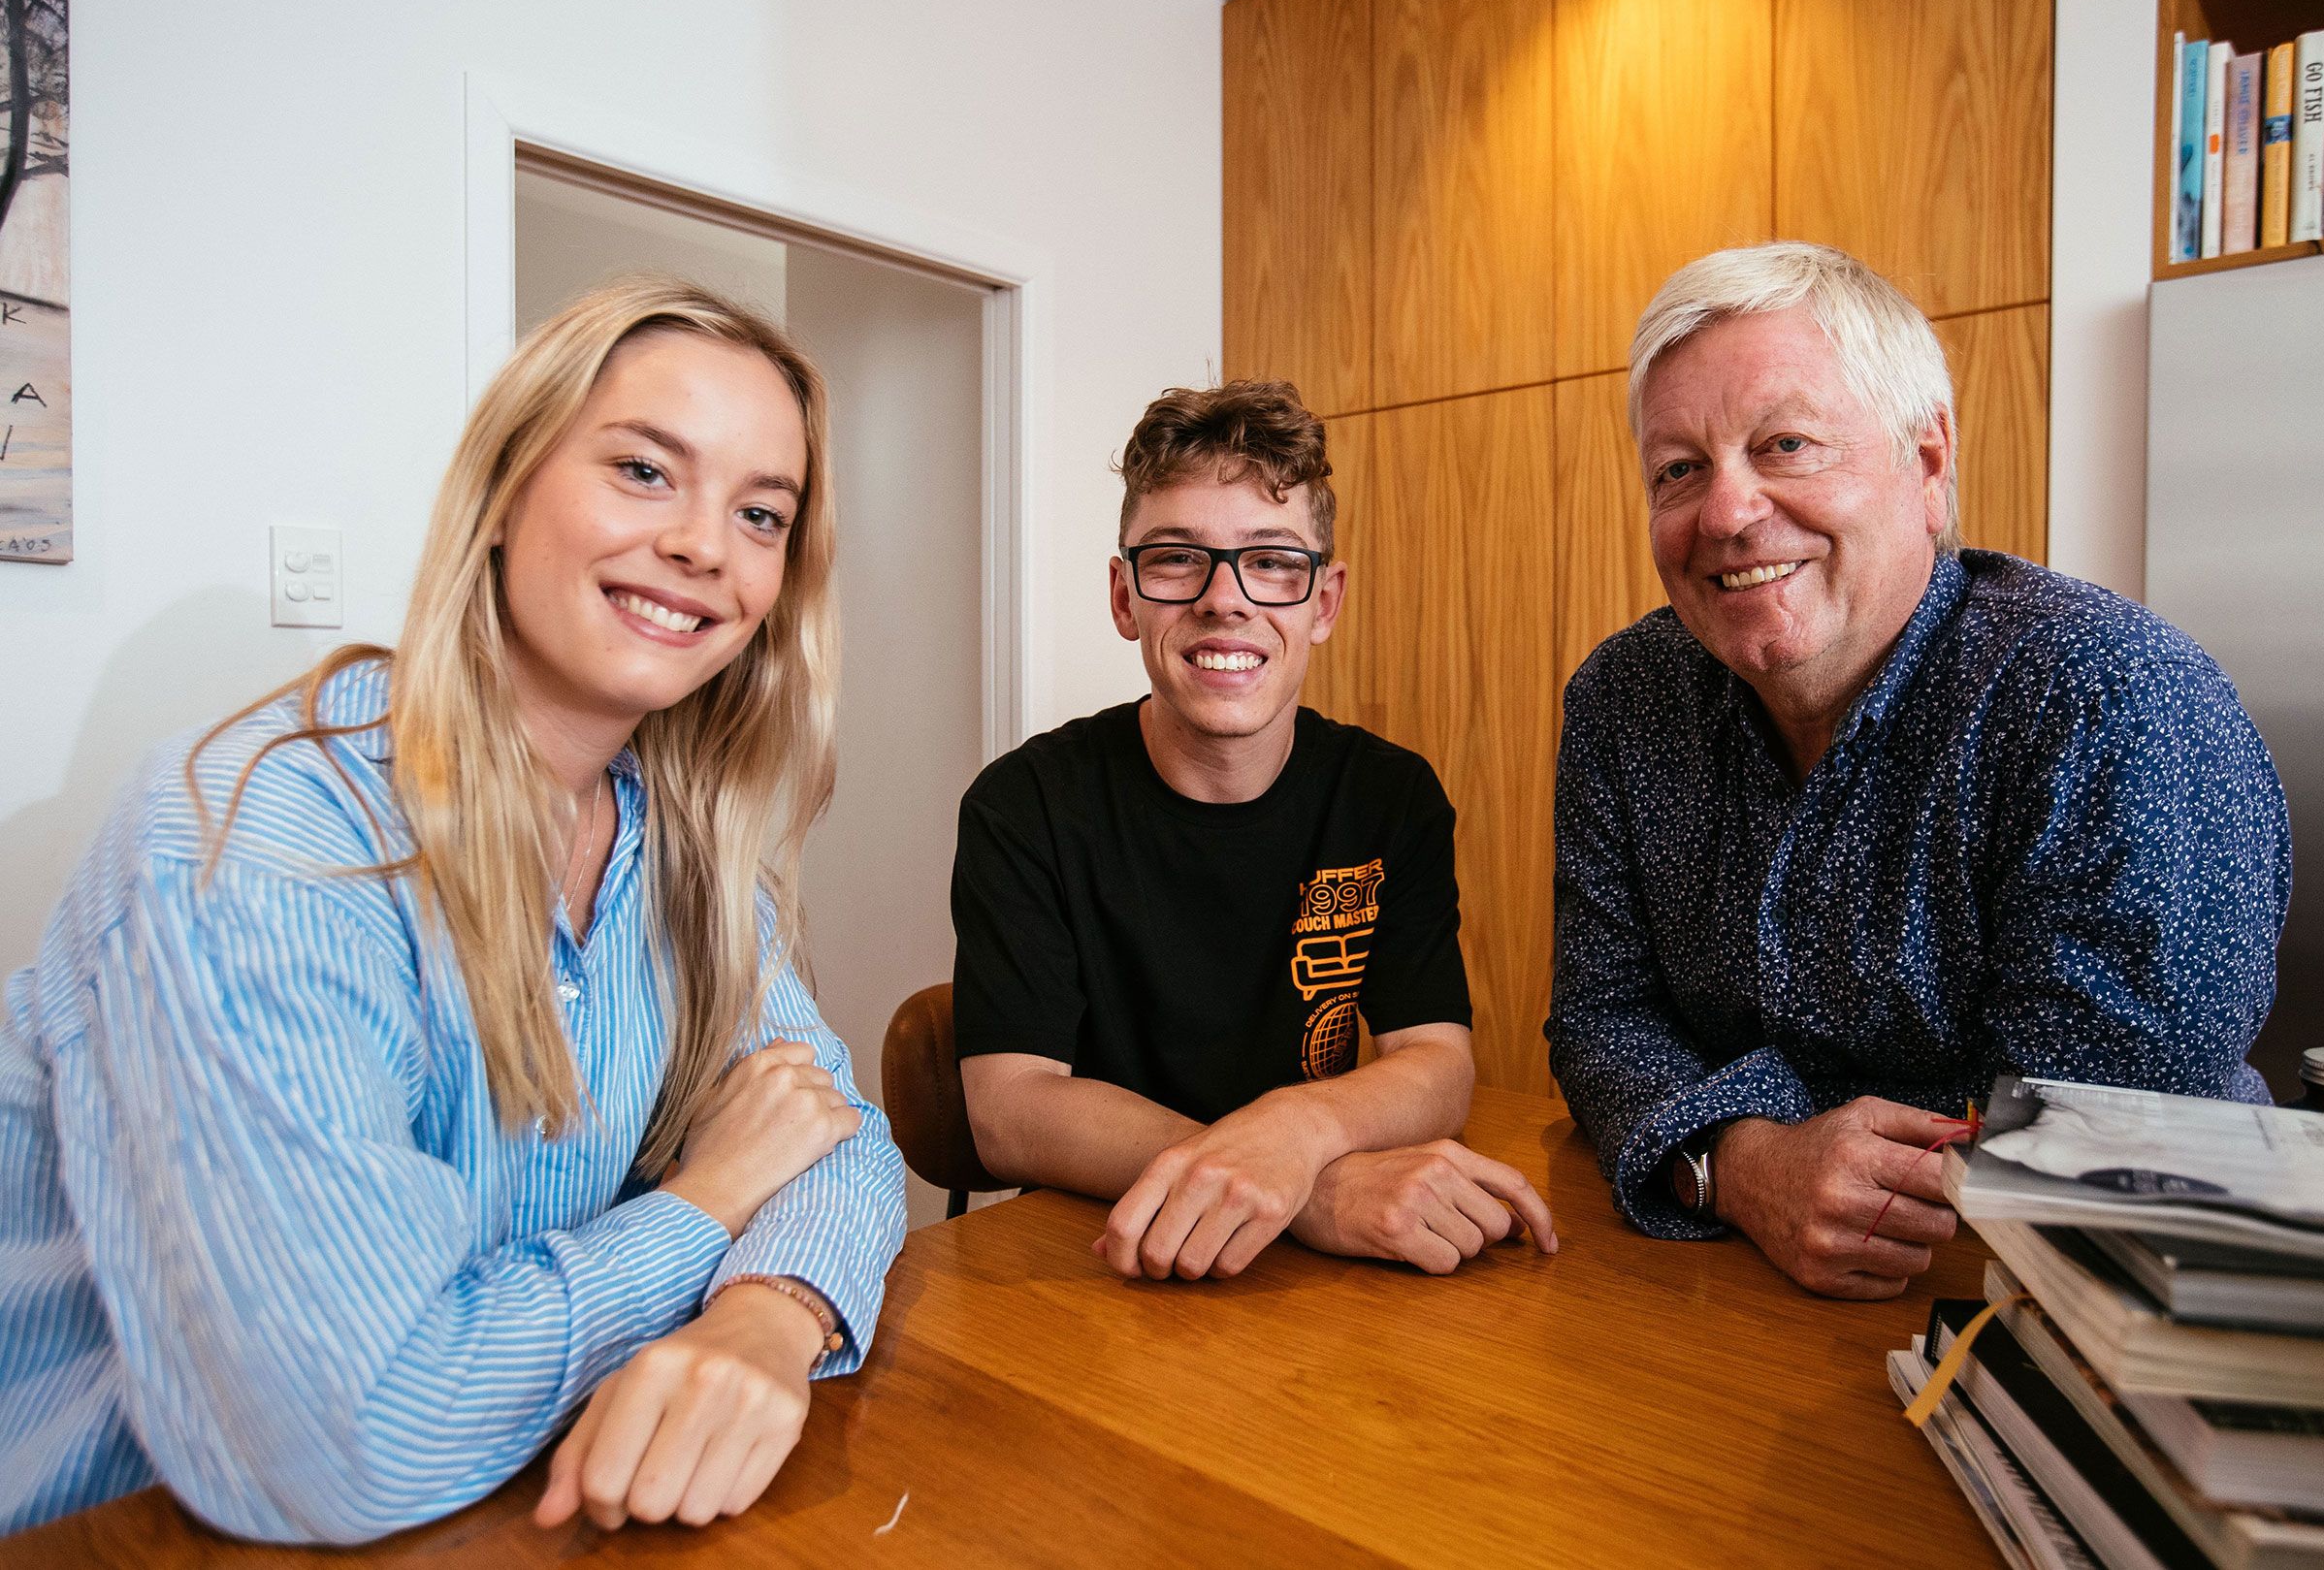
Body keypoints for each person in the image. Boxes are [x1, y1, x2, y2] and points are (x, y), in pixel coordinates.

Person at [0, 279, 908, 1541]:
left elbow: (838, 1137)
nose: (707, 545)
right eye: (645, 470)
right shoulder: (261, 843)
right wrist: (706, 1203)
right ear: (502, 490)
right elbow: (360, 1431)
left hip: (516, 1502)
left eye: (761, 513)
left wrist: (770, 1312)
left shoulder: (682, 844)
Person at [1546, 241, 2289, 1300]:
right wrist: (1746, 1167)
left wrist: (1745, 1143)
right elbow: (1600, 1021)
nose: (1725, 514)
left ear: (1928, 465)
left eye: (1786, 444)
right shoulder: (1623, 700)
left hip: (2092, 1304)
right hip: (1727, 1289)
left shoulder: (2111, 697)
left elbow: (2097, 1122)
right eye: (1678, 469)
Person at [952, 379, 1557, 1283]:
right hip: (1103, 1254)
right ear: (1124, 596)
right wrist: (1302, 1189)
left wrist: (1296, 1138)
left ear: (1325, 601)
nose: (1224, 599)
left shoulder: (1389, 795)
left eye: (1271, 561)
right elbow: (1008, 1109)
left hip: (1321, 1281)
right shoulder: (1023, 804)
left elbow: (1437, 1059)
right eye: (1176, 559)